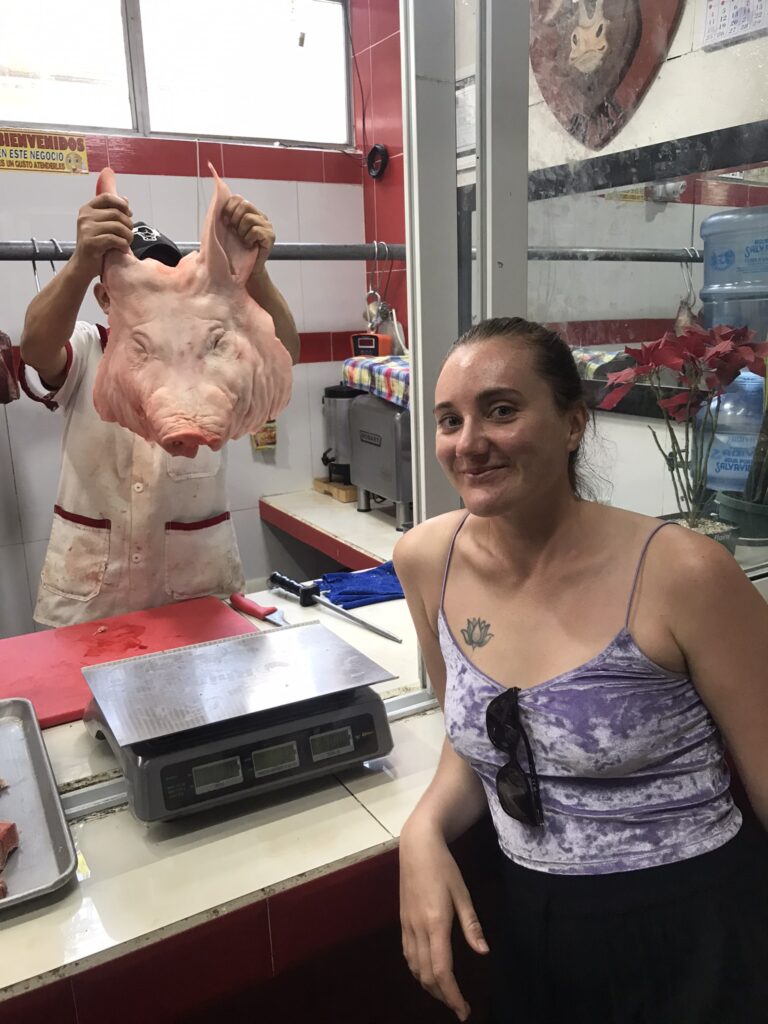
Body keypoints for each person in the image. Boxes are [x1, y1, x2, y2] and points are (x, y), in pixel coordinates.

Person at [393, 317, 768, 1024]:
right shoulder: (425, 561)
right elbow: (474, 745)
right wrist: (421, 832)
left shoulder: (683, 572)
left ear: (571, 424)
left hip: (692, 929)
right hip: (527, 923)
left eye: (501, 410)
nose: (469, 443)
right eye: (450, 420)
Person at [19, 184, 300, 628]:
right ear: (106, 297)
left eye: (167, 284)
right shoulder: (89, 350)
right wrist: (79, 265)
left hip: (196, 597)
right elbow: (36, 349)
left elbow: (284, 351)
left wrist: (257, 272)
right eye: (140, 283)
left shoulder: (214, 354)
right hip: (90, 599)